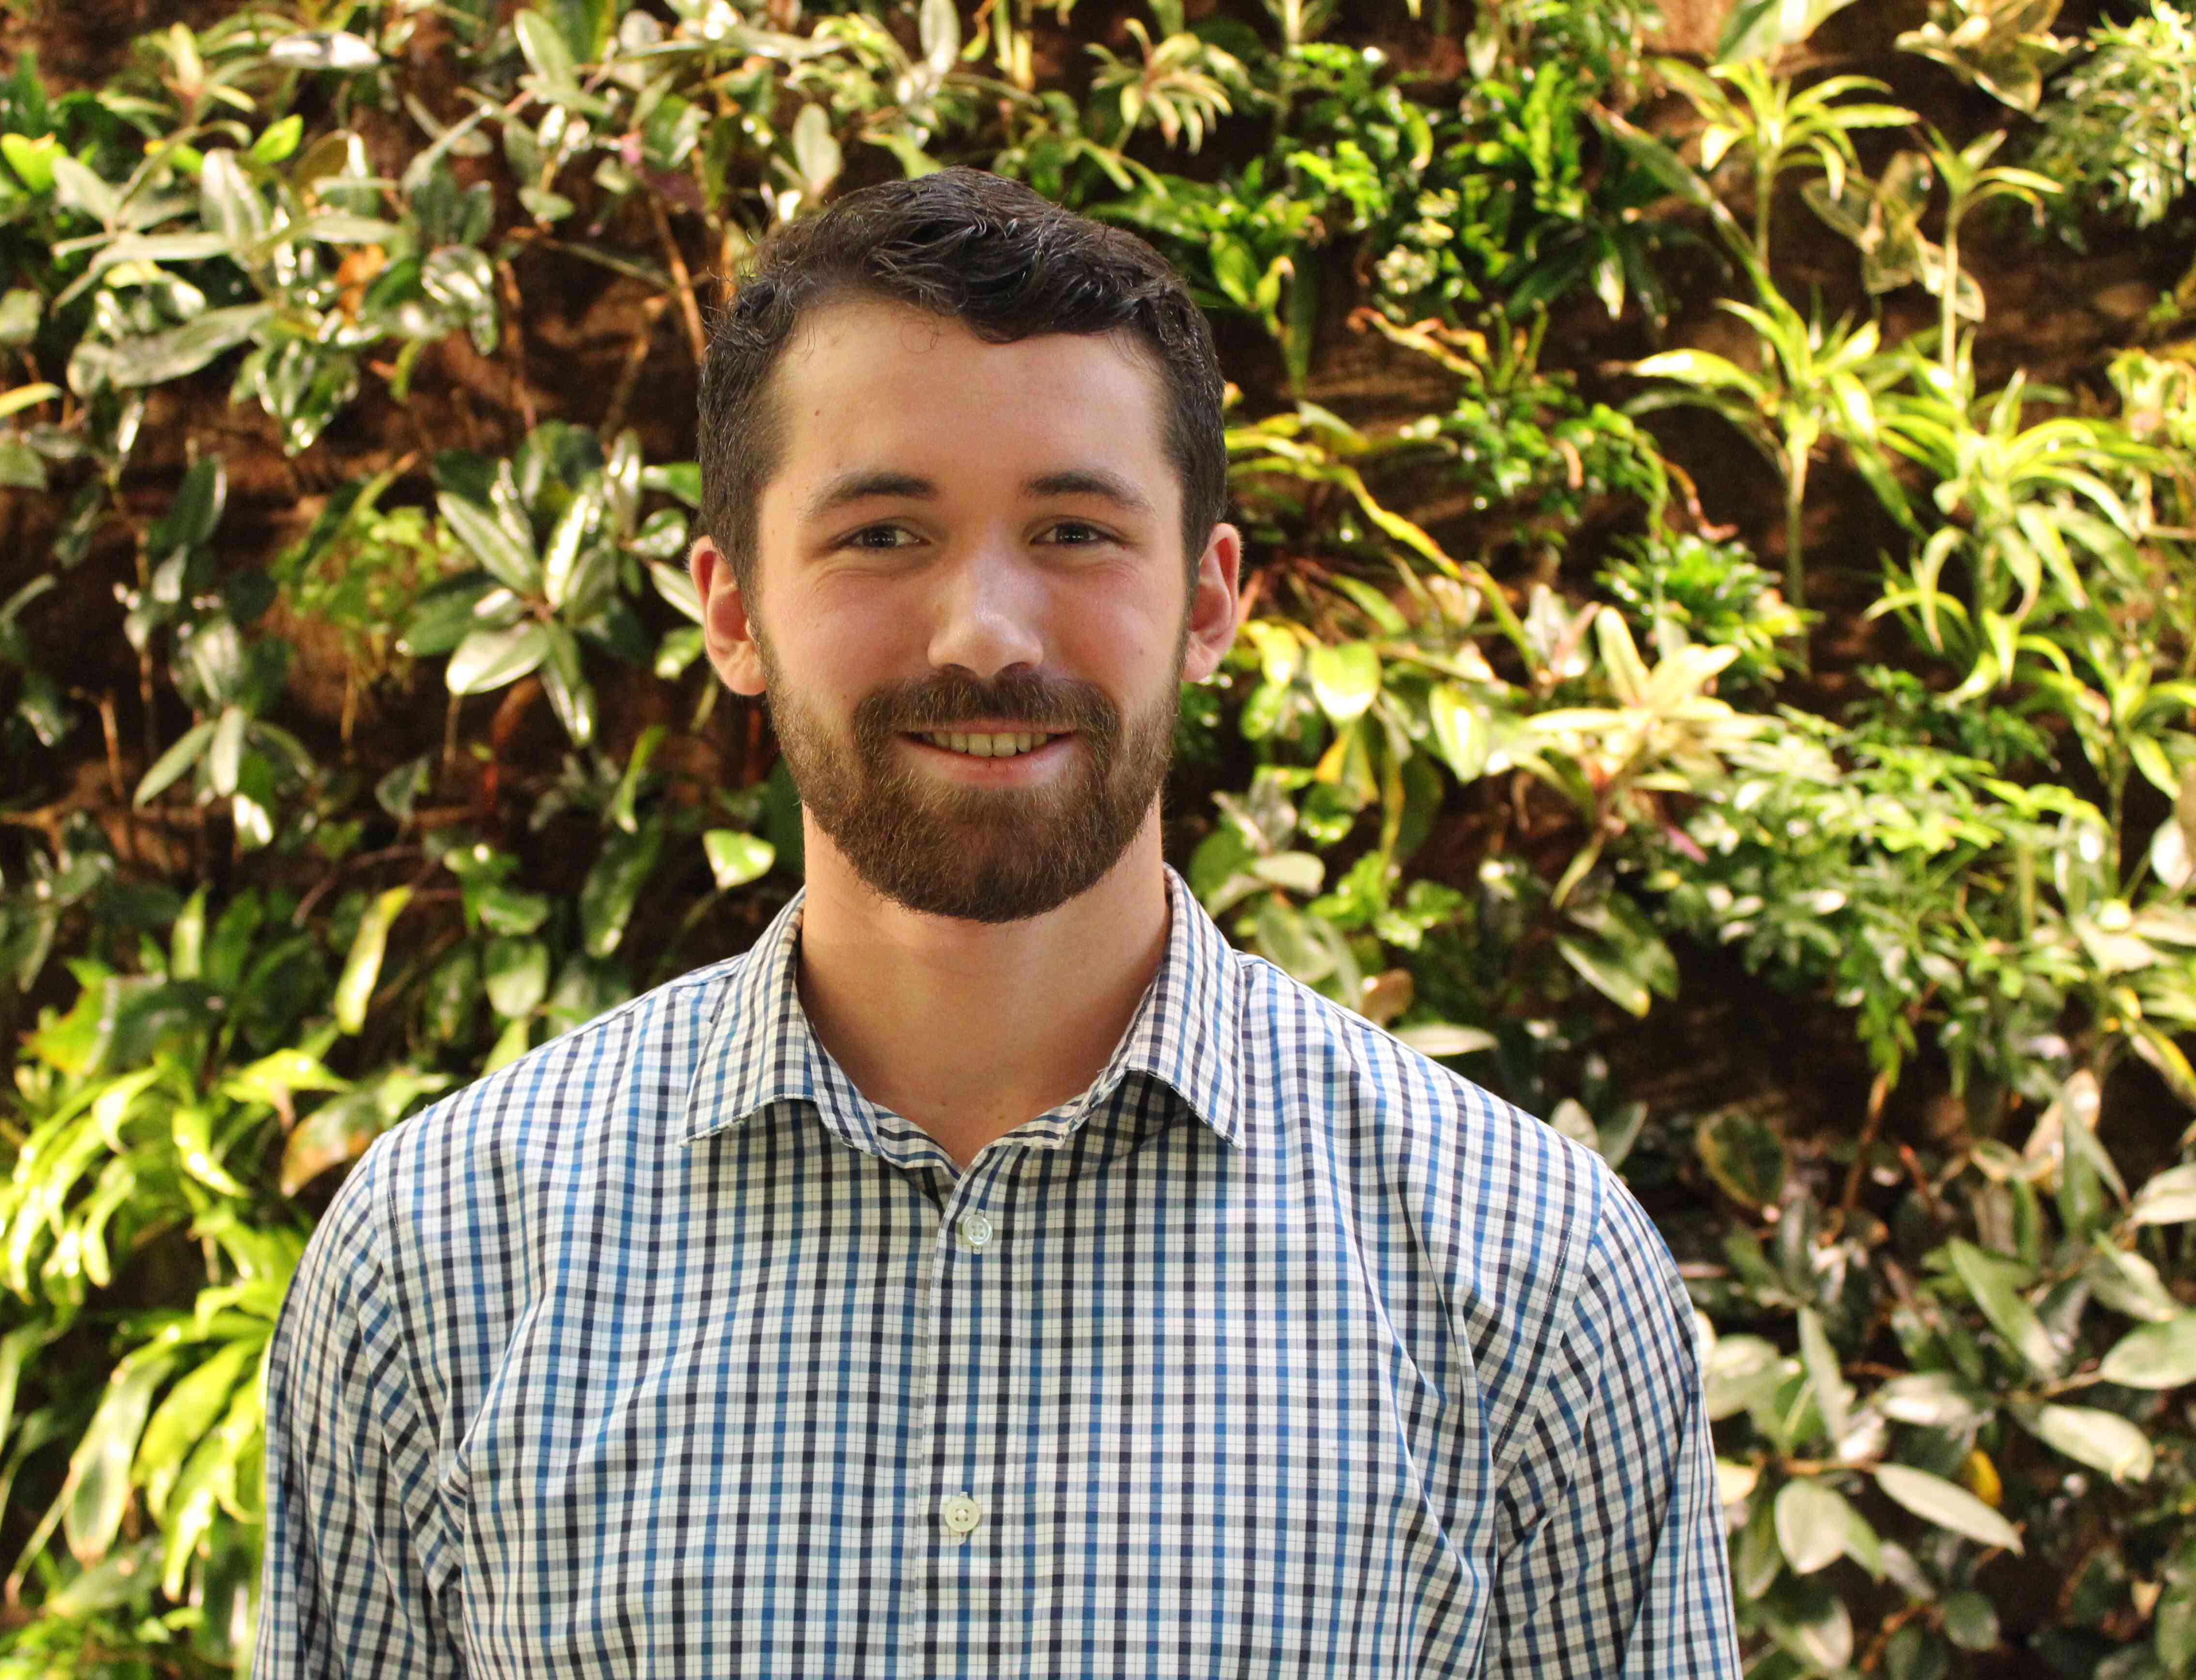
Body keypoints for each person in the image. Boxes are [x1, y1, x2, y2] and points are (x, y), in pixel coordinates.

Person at [249, 165, 1743, 1678]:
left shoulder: (1528, 1277)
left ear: (1209, 600)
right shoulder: (445, 1258)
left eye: (1077, 533)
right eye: (884, 535)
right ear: (732, 610)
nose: (987, 634)